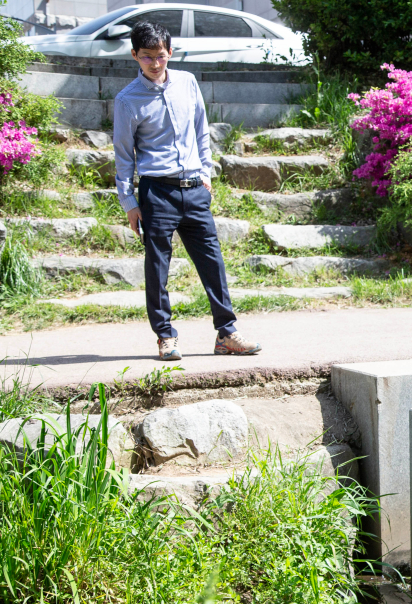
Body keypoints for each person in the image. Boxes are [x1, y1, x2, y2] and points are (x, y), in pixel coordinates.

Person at [113, 21, 260, 361]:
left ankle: (227, 333)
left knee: (212, 261)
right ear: (135, 55)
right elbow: (123, 156)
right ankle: (165, 336)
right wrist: (129, 202)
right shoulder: (126, 100)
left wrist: (205, 174)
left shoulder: (188, 82)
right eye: (147, 57)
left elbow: (201, 131)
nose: (155, 63)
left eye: (161, 56)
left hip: (194, 189)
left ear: (170, 52)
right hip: (156, 193)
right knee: (157, 266)